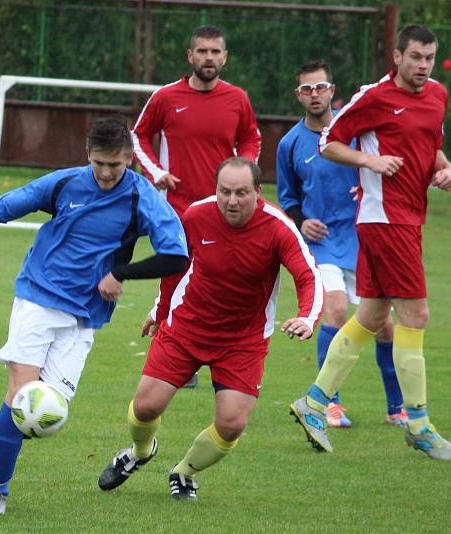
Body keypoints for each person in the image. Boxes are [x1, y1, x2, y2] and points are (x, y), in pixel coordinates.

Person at [0, 117, 188, 515]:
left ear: (130, 159)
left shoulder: (141, 196)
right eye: (100, 163)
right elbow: (6, 206)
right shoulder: (65, 183)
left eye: (116, 164)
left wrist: (120, 273)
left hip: (85, 316)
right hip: (38, 296)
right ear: (87, 155)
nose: (108, 172)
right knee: (23, 396)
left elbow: (176, 254)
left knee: (44, 415)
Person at [98, 157, 322, 501]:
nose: (232, 201)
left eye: (242, 193)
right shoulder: (196, 216)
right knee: (145, 407)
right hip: (187, 325)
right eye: (225, 192)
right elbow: (175, 265)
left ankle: (184, 472)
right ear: (215, 190)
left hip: (243, 340)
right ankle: (140, 452)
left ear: (258, 193)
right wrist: (159, 310)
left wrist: (307, 316)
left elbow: (308, 275)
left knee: (232, 423)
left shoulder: (278, 227)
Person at [290, 25, 451, 460]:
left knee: (374, 315)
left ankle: (315, 402)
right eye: (414, 57)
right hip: (384, 220)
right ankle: (417, 422)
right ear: (396, 57)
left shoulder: (437, 95)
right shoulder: (374, 97)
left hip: (406, 219)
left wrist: (443, 168)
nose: (422, 66)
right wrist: (370, 160)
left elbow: (430, 148)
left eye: (429, 58)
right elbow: (328, 142)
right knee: (416, 314)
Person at [276, 60, 406, 429]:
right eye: (306, 89)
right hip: (324, 245)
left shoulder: (358, 133)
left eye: (321, 87)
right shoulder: (289, 143)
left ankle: (396, 407)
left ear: (333, 91)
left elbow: (383, 168)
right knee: (334, 310)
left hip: (365, 238)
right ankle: (330, 403)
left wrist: (367, 184)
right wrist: (303, 222)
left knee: (384, 325)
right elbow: (287, 198)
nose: (314, 95)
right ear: (298, 95)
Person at [132, 25, 261, 386]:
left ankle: (223, 352)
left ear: (224, 57)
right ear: (190, 56)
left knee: (219, 276)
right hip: (178, 206)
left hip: (225, 208)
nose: (209, 57)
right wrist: (156, 171)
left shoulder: (238, 98)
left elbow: (250, 138)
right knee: (174, 271)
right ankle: (169, 350)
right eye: (202, 51)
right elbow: (138, 134)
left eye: (215, 52)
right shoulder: (166, 97)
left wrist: (245, 172)